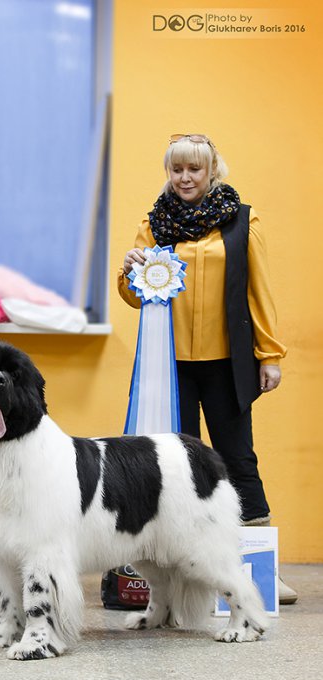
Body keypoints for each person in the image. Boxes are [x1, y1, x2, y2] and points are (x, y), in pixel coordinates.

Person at [118, 133, 296, 604]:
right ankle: (182, 573)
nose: (184, 178)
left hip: (226, 363)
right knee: (179, 468)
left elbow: (259, 292)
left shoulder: (242, 220)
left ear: (212, 170)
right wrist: (128, 269)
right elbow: (135, 295)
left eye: (194, 169)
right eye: (177, 169)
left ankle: (262, 570)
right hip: (170, 367)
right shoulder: (153, 222)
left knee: (238, 459)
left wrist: (270, 355)